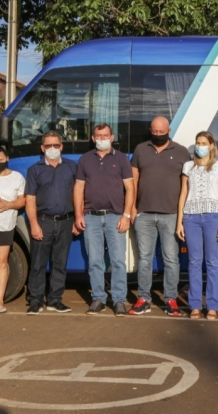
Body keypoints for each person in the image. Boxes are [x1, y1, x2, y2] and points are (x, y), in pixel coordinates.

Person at [129, 116, 190, 316]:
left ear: (169, 130)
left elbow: (186, 186)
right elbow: (133, 181)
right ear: (150, 130)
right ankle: (143, 298)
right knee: (144, 259)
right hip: (144, 214)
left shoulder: (181, 152)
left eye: (161, 132)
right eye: (154, 132)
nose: (157, 135)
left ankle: (170, 298)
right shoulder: (140, 149)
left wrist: (182, 215)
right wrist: (132, 209)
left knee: (171, 259)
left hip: (171, 215)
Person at [73, 124, 135, 316]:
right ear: (93, 138)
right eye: (98, 136)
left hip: (115, 217)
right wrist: (78, 215)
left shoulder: (122, 159)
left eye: (105, 135)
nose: (102, 138)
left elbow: (130, 189)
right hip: (91, 217)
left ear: (112, 137)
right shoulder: (85, 160)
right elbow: (78, 188)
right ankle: (98, 299)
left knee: (118, 261)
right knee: (94, 261)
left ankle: (118, 301)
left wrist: (126, 215)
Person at [176, 131, 218, 320]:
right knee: (194, 262)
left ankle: (213, 305)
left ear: (212, 145)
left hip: (213, 217)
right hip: (191, 218)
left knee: (212, 262)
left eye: (204, 142)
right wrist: (179, 222)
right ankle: (195, 305)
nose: (200, 146)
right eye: (198, 142)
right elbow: (183, 194)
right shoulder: (187, 166)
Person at [25, 131, 79, 315]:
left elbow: (79, 194)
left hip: (66, 222)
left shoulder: (72, 167)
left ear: (62, 146)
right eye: (48, 146)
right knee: (38, 264)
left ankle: (55, 300)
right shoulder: (35, 169)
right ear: (42, 148)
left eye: (56, 145)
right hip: (43, 222)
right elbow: (30, 199)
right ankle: (36, 300)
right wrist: (34, 224)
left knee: (60, 263)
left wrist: (77, 218)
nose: (52, 149)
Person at [0, 146, 26, 313]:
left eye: (1, 160)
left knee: (0, 264)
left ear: (7, 158)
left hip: (5, 225)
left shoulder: (17, 178)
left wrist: (8, 204)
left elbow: (22, 201)